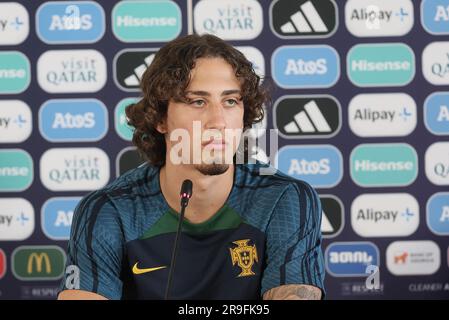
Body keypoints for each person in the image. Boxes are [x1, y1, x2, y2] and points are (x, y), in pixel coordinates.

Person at [58, 34, 325, 300]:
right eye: (198, 101)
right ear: (161, 118)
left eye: (230, 101)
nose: (218, 121)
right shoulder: (109, 211)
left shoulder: (284, 199)